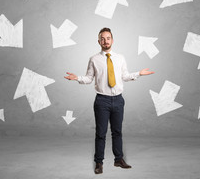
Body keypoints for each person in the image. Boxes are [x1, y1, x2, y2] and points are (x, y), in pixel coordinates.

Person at [64, 27, 154, 174]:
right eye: (103, 39)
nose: (105, 41)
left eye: (108, 38)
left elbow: (124, 76)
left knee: (117, 132)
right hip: (102, 101)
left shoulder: (120, 58)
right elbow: (89, 78)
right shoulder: (94, 59)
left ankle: (118, 159)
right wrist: (77, 78)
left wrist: (139, 74)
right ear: (99, 41)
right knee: (101, 133)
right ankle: (99, 162)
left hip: (118, 100)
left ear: (112, 40)